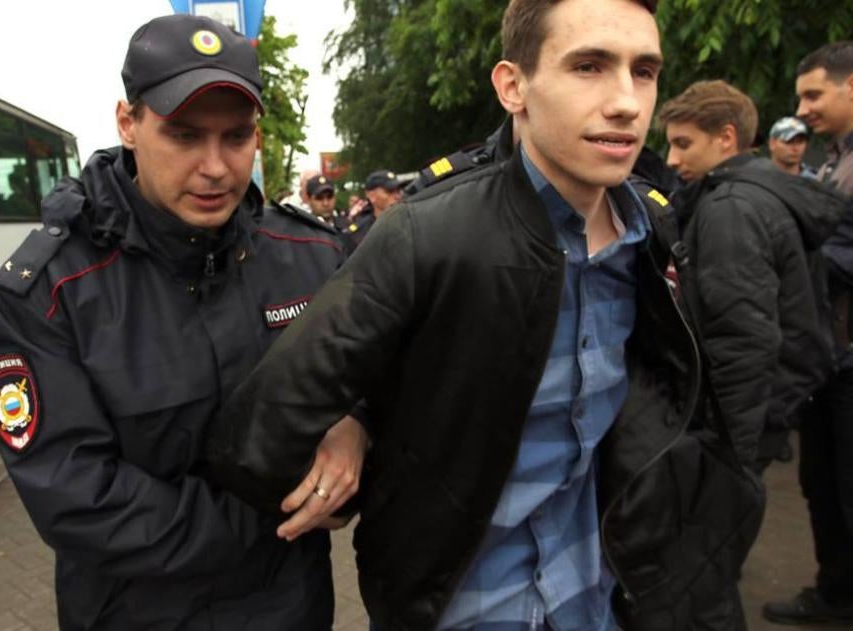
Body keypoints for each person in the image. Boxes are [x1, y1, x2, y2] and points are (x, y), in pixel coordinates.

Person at [206, 1, 764, 629]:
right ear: (512, 85)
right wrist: (357, 454)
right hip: (461, 607)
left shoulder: (651, 230)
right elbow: (260, 434)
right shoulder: (429, 233)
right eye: (588, 66)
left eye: (643, 71)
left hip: (605, 599)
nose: (627, 102)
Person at [0, 15, 367, 630]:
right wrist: (280, 514)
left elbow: (380, 376)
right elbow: (78, 498)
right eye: (185, 136)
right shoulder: (50, 291)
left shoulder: (313, 257)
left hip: (294, 609)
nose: (215, 166)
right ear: (129, 124)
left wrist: (358, 427)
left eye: (236, 137)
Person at [659, 79, 847, 629]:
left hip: (739, 424)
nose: (672, 159)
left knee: (702, 578)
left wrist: (730, 453)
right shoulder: (757, 194)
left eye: (683, 144)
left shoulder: (732, 209)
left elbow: (743, 342)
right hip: (765, 411)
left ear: (726, 138)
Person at [763, 40, 853, 627]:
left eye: (814, 94)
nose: (804, 108)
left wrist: (783, 261)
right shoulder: (833, 159)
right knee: (823, 483)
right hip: (832, 356)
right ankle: (836, 593)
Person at [341, 170, 402, 249]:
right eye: (389, 191)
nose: (397, 196)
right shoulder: (358, 234)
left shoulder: (412, 224)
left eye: (398, 191)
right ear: (371, 195)